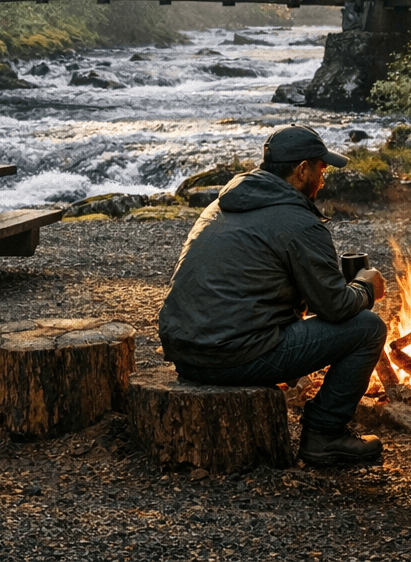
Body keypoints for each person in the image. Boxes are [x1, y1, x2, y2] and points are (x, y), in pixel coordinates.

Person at [158, 124, 389, 467]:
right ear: (301, 171)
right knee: (367, 327)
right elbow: (336, 307)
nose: (323, 180)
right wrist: (366, 287)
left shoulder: (222, 205)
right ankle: (324, 436)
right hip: (230, 357)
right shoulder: (299, 221)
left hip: (185, 351)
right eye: (321, 170)